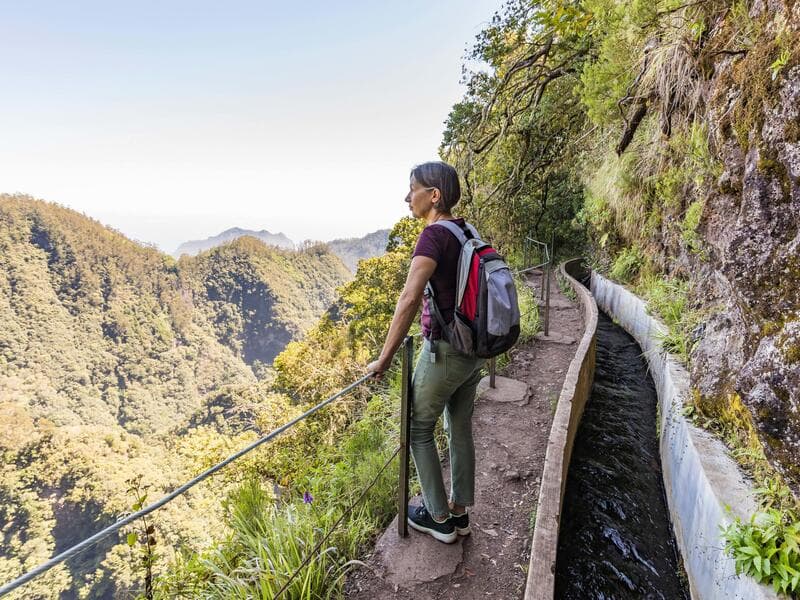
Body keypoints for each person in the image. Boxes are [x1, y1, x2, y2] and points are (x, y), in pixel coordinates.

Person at [367, 161, 486, 544]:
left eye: (413, 189)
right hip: (475, 349)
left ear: (434, 195)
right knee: (459, 425)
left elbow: (409, 298)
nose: (407, 197)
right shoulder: (467, 230)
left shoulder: (433, 236)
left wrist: (384, 358)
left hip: (446, 351)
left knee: (417, 427)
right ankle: (460, 513)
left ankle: (438, 518)